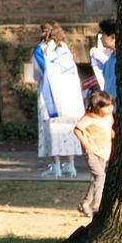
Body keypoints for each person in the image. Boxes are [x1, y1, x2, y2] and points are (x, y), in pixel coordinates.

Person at [28, 24, 85, 178]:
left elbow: (37, 74)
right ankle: (71, 166)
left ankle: (56, 167)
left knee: (52, 131)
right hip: (71, 99)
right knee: (68, 131)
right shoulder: (66, 50)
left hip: (51, 97)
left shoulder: (41, 50)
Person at [74, 90, 115, 218]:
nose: (109, 109)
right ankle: (97, 205)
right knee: (101, 176)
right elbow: (77, 130)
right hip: (91, 152)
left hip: (104, 152)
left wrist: (112, 133)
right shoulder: (89, 118)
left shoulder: (108, 116)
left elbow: (109, 126)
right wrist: (86, 144)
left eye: (110, 105)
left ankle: (84, 204)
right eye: (106, 107)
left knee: (96, 179)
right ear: (98, 107)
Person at [89, 21, 118, 99]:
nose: (101, 37)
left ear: (113, 37)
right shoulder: (110, 59)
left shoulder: (119, 60)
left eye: (103, 34)